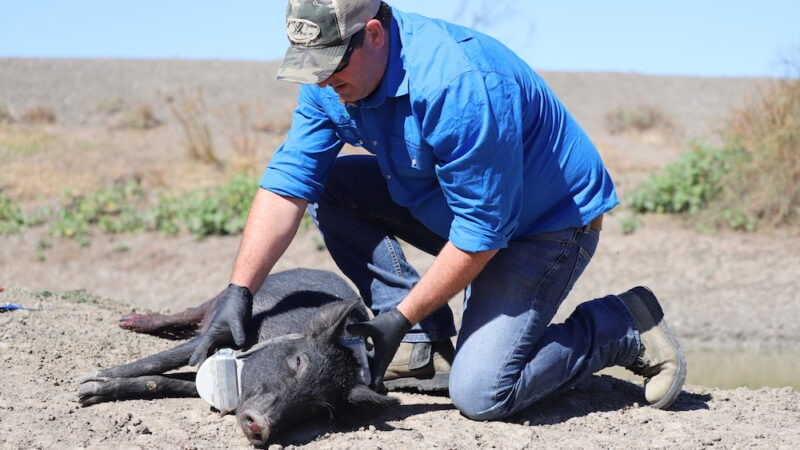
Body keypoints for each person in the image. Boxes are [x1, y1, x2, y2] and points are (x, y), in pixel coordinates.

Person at [189, 0, 687, 420]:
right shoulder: (331, 81)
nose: (323, 81)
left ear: (375, 35)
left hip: (543, 226)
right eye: (312, 65)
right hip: (454, 204)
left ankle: (621, 326)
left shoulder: (458, 85)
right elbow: (288, 185)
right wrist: (240, 290)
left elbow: (484, 232)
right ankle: (422, 338)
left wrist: (397, 318)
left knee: (481, 393)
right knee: (330, 185)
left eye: (334, 64)